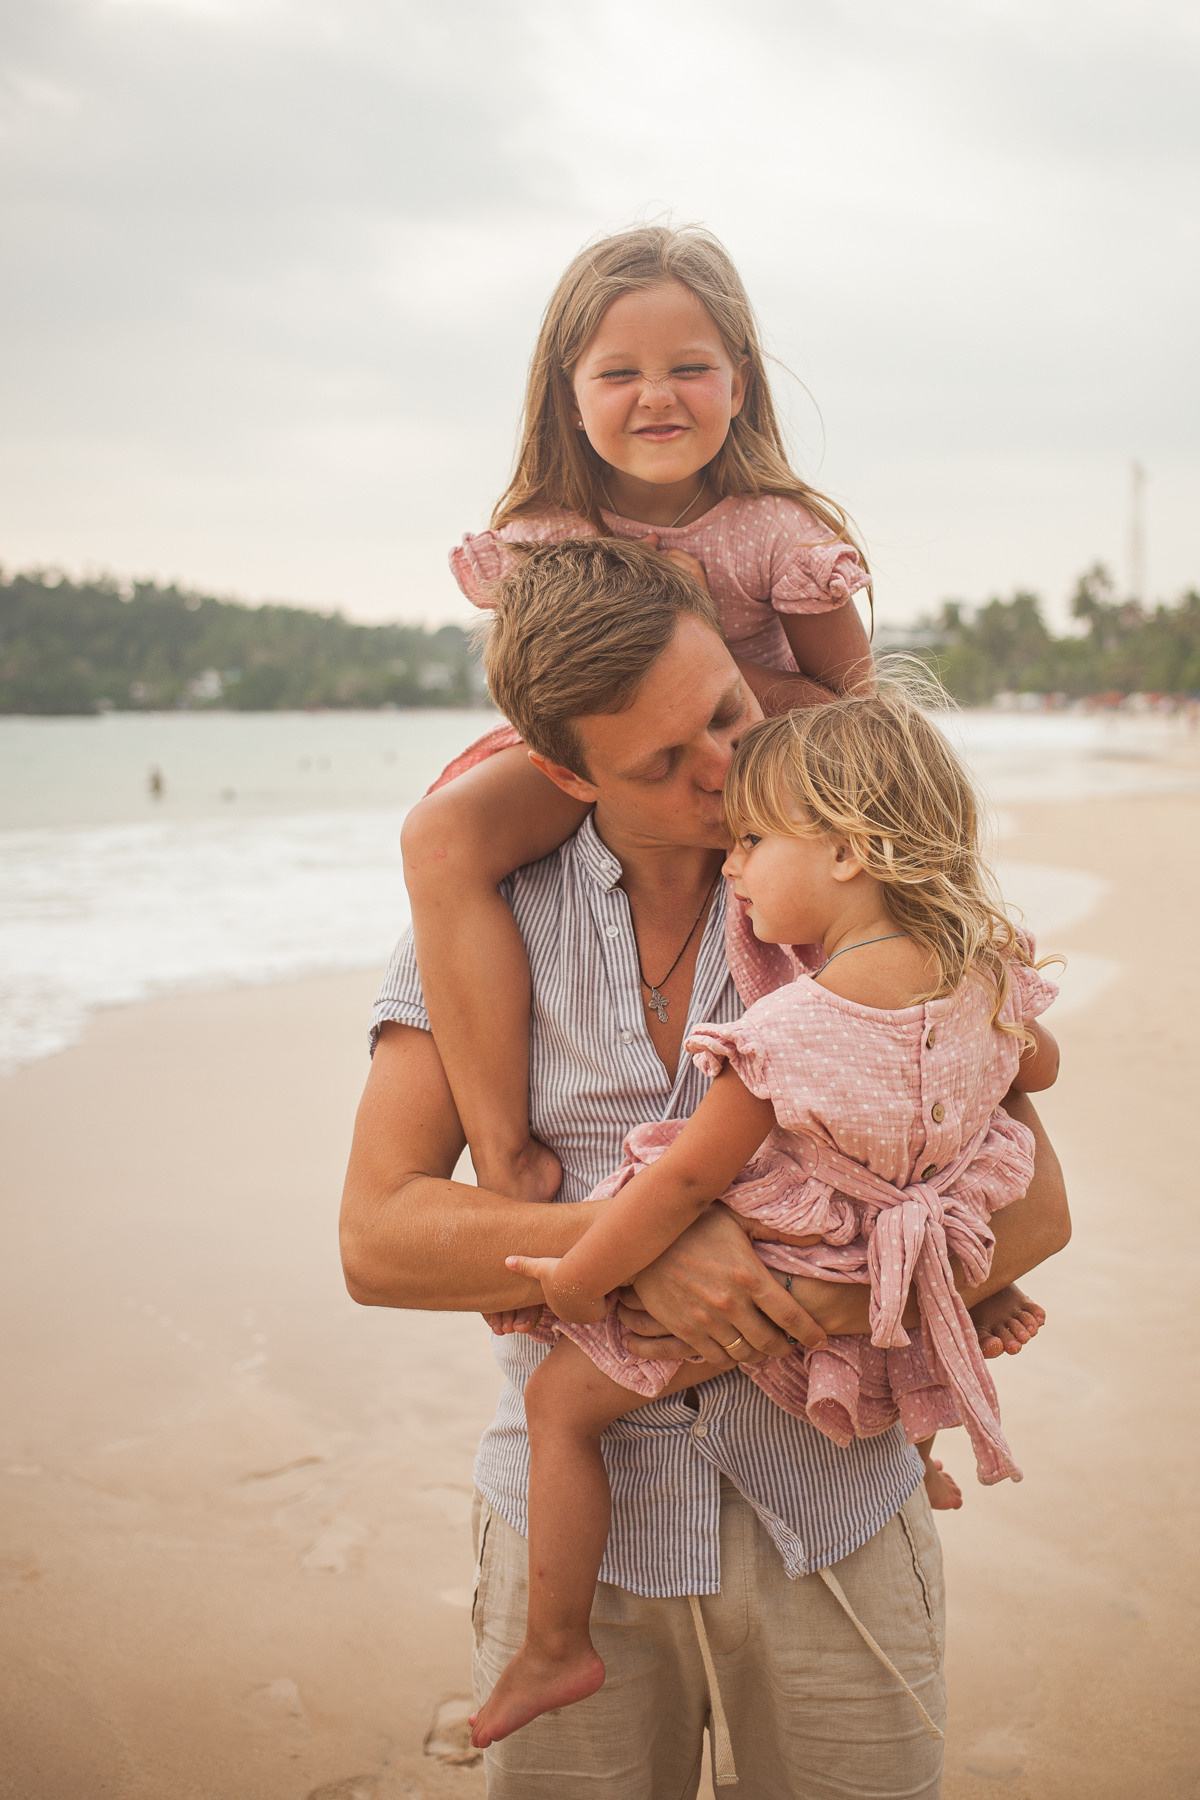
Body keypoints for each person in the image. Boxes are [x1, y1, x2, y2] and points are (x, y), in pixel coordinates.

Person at [341, 538, 1068, 1799]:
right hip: (575, 1537)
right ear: (563, 771)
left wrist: (826, 1300)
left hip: (834, 1515)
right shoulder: (483, 926)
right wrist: (644, 1243)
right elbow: (378, 1238)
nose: (726, 772)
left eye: (727, 716)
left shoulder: (867, 907)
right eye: (662, 765)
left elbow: (1041, 1206)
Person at [466, 683, 1060, 1750]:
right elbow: (1035, 1063)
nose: (734, 868)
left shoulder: (789, 1028)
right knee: (935, 1202)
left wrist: (574, 1282)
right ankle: (912, 1426)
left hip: (798, 1253)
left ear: (845, 852)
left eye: (752, 841)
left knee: (561, 1405)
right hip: (914, 1224)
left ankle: (556, 1644)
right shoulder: (983, 979)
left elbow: (686, 1186)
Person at [402, 223, 878, 1210]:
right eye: (618, 372)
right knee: (441, 837)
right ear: (568, 396)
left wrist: (718, 667)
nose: (656, 395)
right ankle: (503, 1150)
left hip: (759, 757)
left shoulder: (780, 535)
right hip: (604, 760)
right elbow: (541, 696)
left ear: (739, 384)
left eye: (689, 368)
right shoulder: (541, 536)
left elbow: (857, 712)